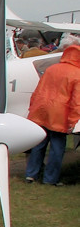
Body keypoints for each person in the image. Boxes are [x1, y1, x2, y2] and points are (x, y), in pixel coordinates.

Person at [24, 33, 80, 185]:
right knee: (57, 149)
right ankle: (50, 179)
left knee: (39, 145)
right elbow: (76, 102)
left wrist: (32, 108)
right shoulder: (77, 74)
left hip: (41, 111)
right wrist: (73, 122)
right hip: (59, 115)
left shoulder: (52, 68)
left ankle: (31, 174)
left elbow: (38, 90)